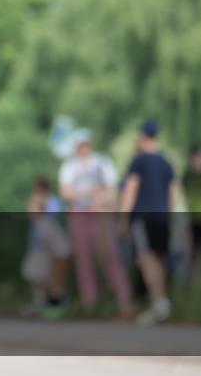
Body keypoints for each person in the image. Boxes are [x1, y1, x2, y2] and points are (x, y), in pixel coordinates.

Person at [58, 130, 133, 319]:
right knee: (83, 259)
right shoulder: (69, 166)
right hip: (79, 216)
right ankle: (89, 303)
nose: (83, 148)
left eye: (86, 144)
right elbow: (66, 193)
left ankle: (123, 300)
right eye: (80, 145)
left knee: (110, 255)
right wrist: (92, 192)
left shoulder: (102, 162)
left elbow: (111, 190)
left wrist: (86, 194)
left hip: (102, 215)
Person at [118, 119, 175, 325]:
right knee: (158, 258)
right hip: (162, 216)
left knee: (145, 258)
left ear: (142, 136)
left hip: (143, 216)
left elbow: (131, 190)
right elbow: (172, 194)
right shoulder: (167, 162)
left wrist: (123, 218)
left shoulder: (139, 161)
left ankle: (159, 302)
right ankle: (162, 301)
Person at [21, 176, 71, 319]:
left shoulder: (47, 218)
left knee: (50, 280)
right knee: (37, 277)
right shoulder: (41, 220)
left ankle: (53, 305)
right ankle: (42, 303)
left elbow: (61, 249)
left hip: (51, 253)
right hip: (41, 250)